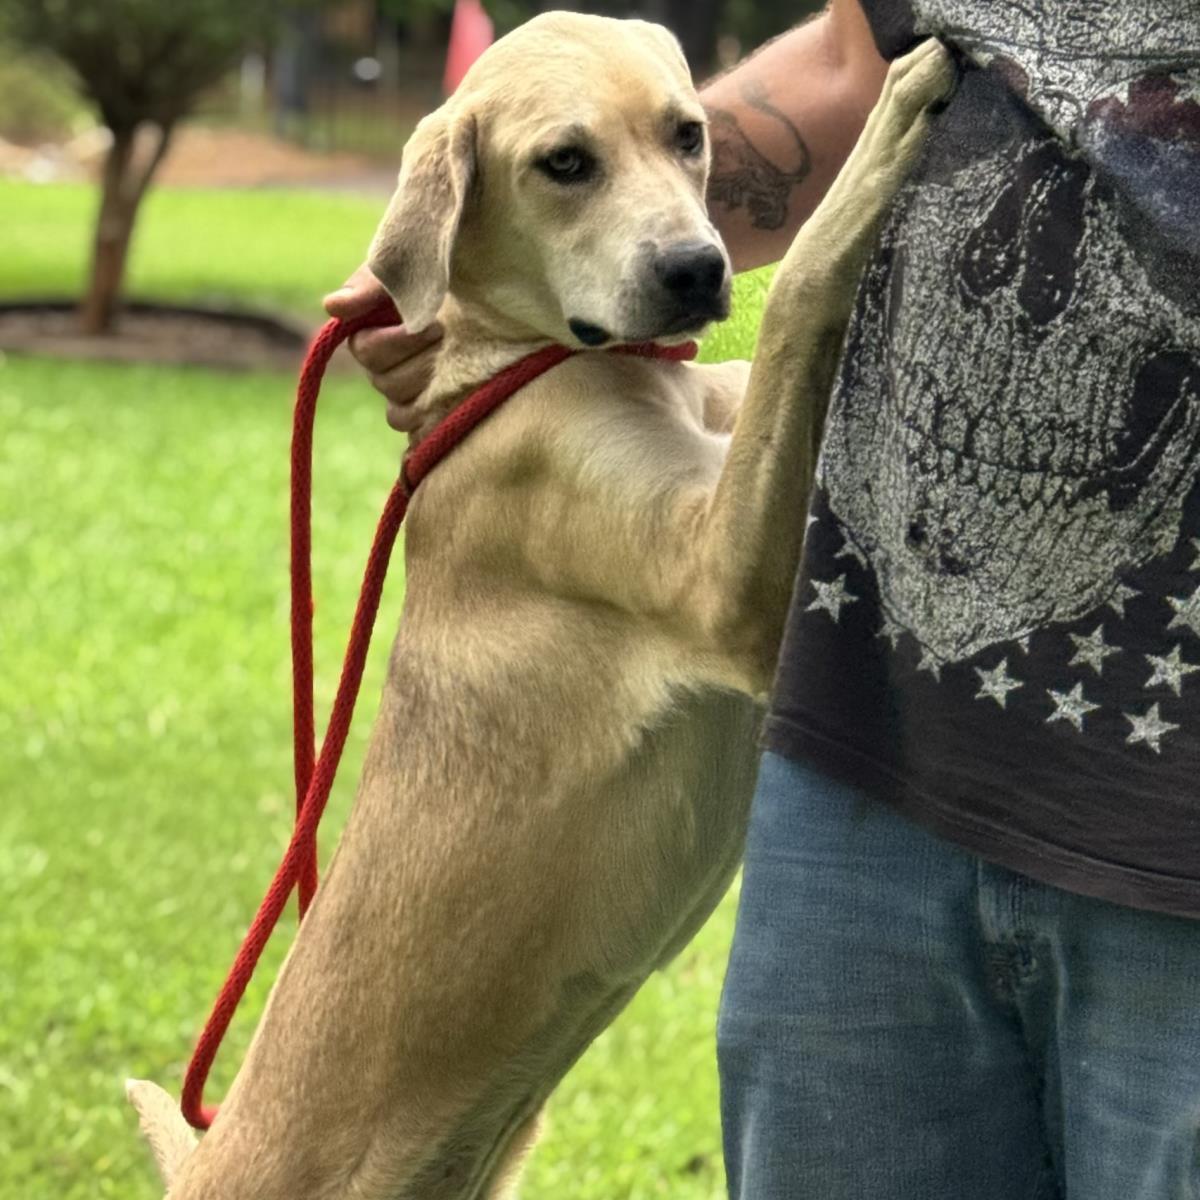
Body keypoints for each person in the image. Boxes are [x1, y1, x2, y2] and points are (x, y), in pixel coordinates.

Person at [326, 1, 1200, 1196]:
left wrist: (779, 297)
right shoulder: (552, 436)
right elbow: (854, 61)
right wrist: (472, 249)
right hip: (865, 750)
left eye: (676, 144)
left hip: (1165, 808)